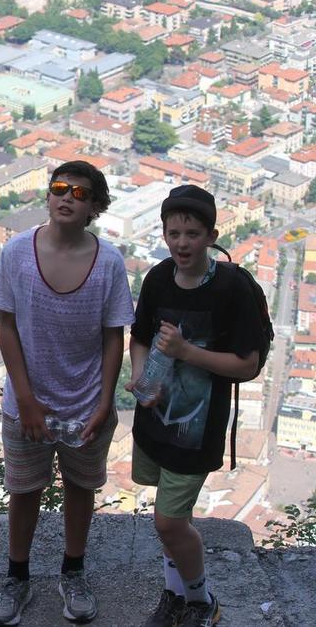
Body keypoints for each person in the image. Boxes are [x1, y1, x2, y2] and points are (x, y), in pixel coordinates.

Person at [0, 160, 134, 626]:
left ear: (94, 207)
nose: (68, 196)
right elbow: (5, 327)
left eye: (80, 192)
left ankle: (73, 572)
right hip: (26, 402)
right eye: (60, 188)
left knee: (80, 488)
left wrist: (105, 402)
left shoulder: (108, 262)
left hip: (87, 402)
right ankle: (17, 578)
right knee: (24, 490)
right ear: (48, 195)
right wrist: (26, 398)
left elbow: (115, 337)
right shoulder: (16, 252)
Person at [128, 185, 261, 627]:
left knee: (168, 522)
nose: (182, 243)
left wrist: (187, 352)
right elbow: (141, 337)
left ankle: (202, 601)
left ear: (211, 235)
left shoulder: (232, 289)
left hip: (197, 429)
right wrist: (144, 378)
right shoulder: (159, 278)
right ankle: (174, 594)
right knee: (169, 518)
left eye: (192, 233)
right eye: (173, 233)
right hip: (155, 420)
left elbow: (247, 365)